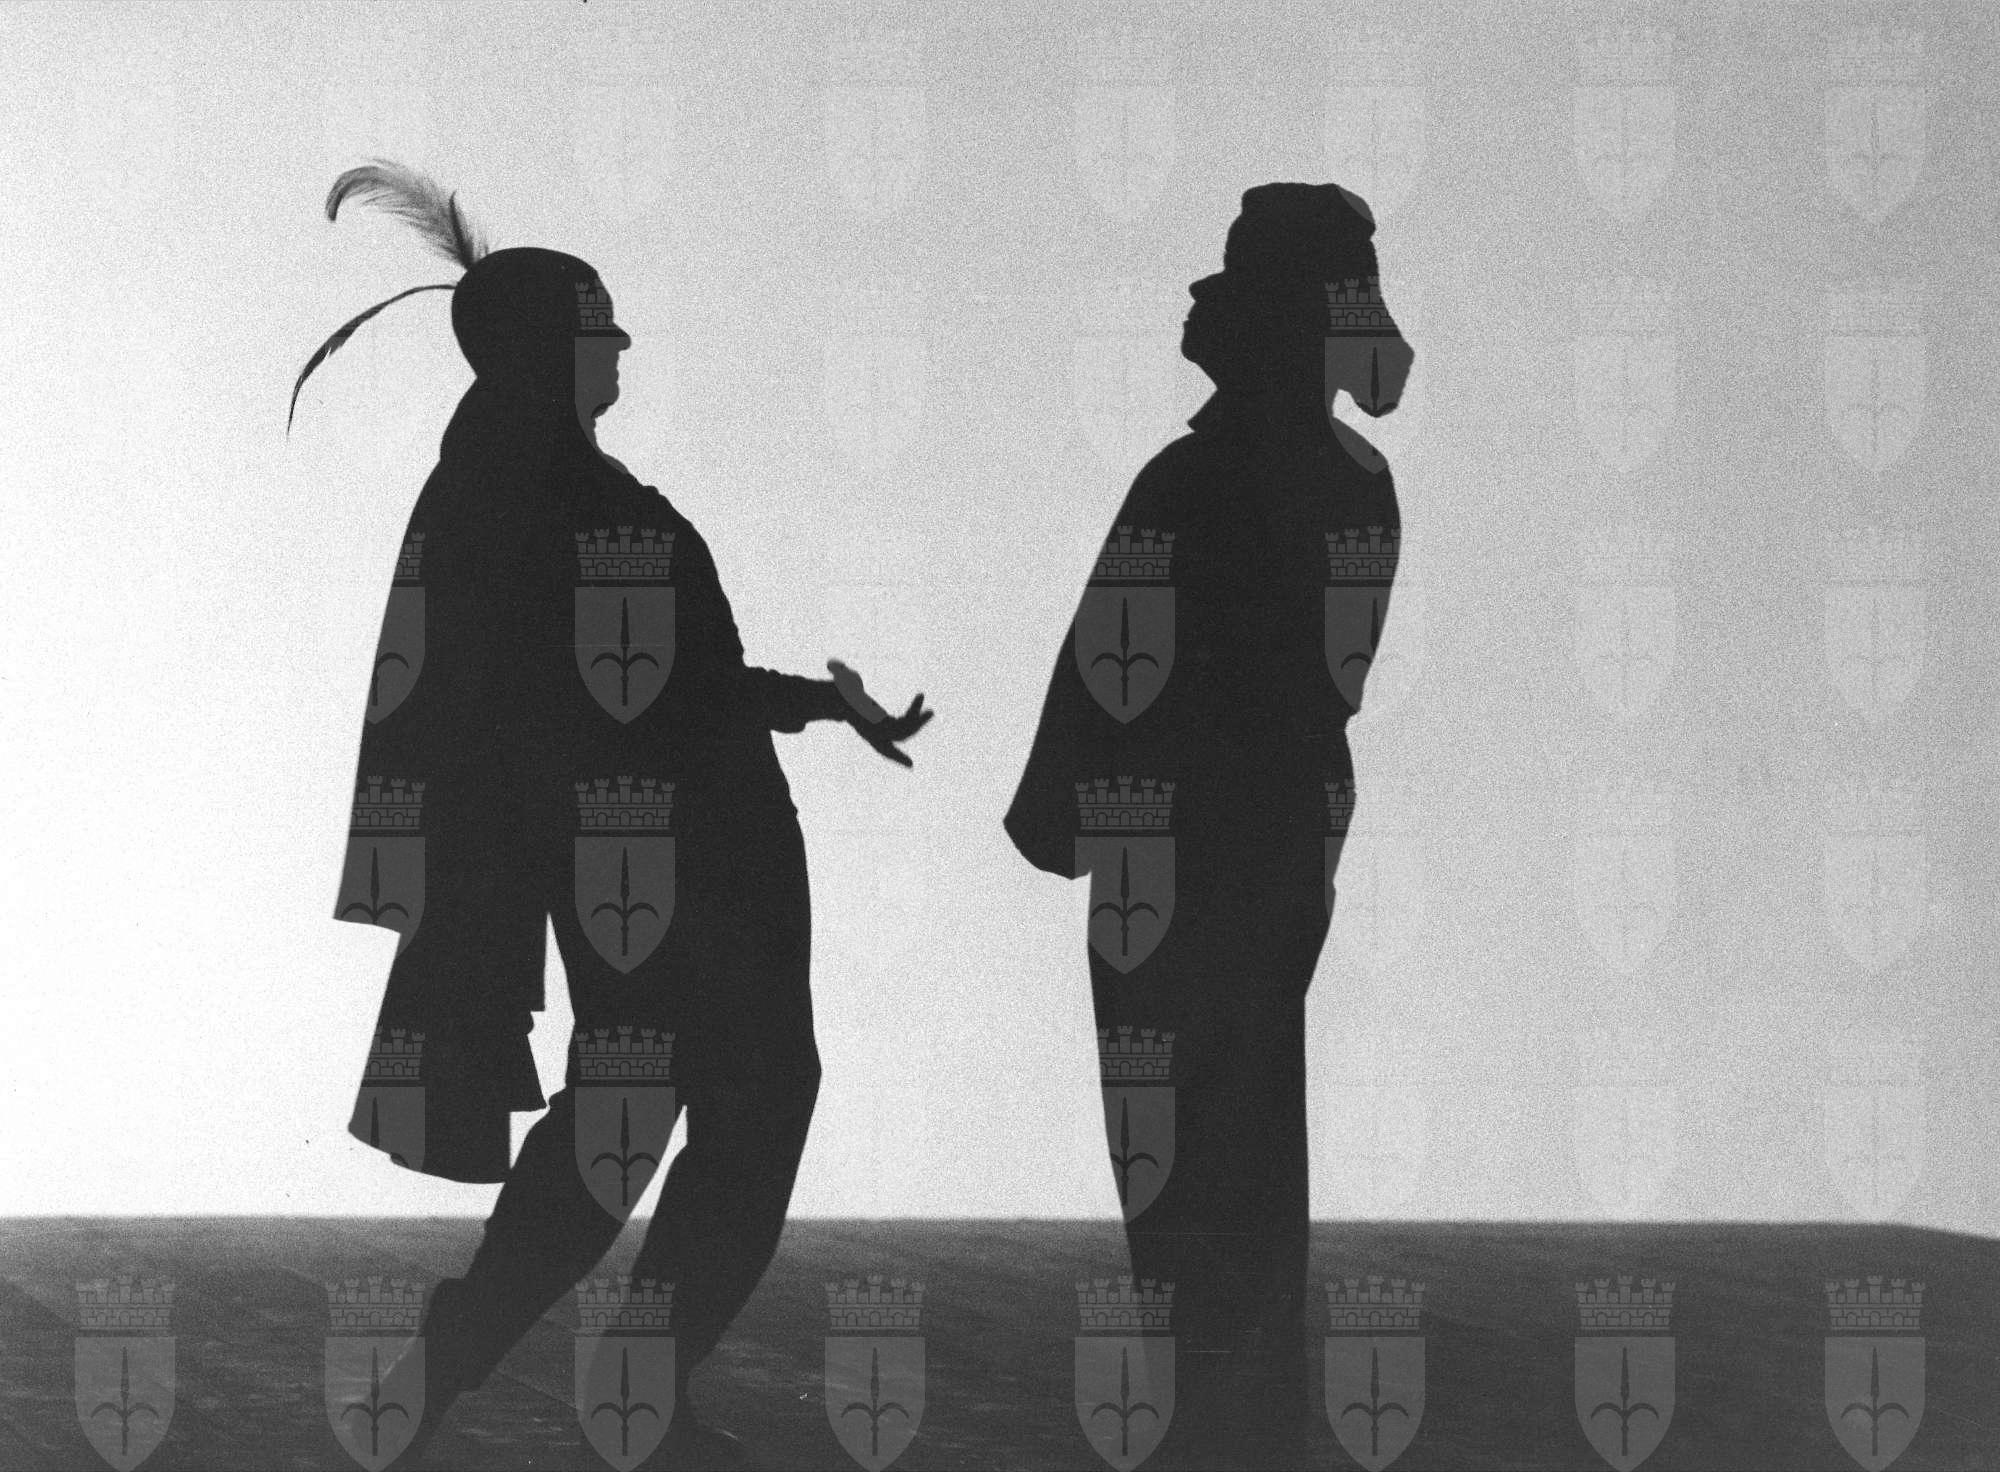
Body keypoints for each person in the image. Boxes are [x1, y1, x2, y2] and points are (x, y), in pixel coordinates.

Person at [298, 163, 931, 1469]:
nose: (622, 344)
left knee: (628, 1115)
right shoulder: (565, 501)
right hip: (686, 869)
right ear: (552, 351)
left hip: (654, 862)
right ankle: (617, 1390)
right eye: (600, 326)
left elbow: (654, 686)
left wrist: (816, 703)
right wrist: (808, 706)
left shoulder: (517, 490)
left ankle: (491, 1375)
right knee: (735, 1106)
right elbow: (657, 693)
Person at [1003, 182, 1412, 1470]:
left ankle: (1208, 1431)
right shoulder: (1360, 482)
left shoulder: (1191, 479)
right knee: (1252, 1151)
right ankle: (1248, 1424)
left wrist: (1056, 817)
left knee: (1174, 1167)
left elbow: (1104, 664)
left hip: (1165, 858)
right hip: (1283, 852)